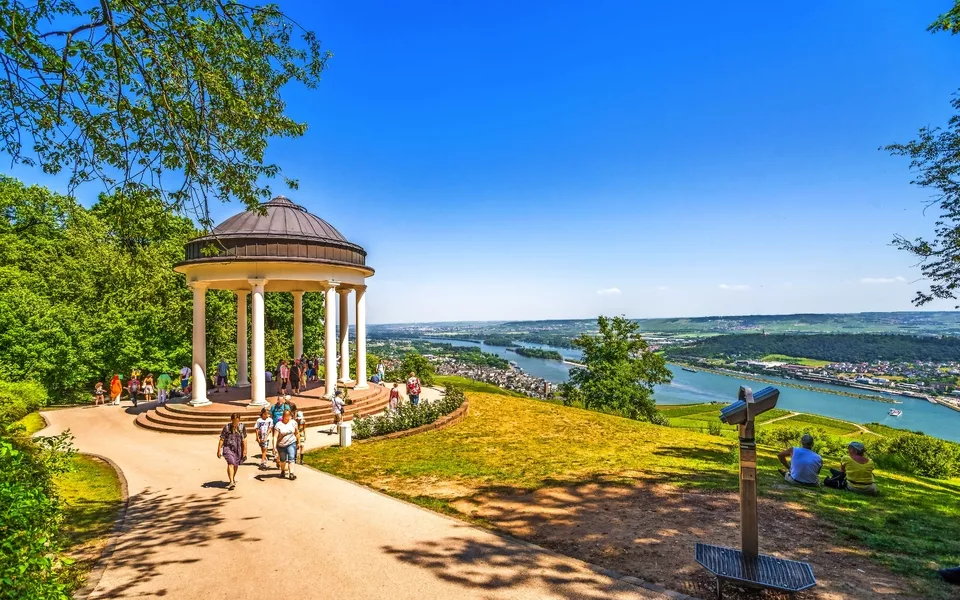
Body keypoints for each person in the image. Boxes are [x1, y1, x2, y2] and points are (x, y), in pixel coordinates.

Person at [216, 413, 247, 490]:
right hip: (228, 447)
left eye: (237, 421)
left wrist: (245, 450)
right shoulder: (227, 427)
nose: (236, 423)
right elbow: (222, 439)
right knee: (231, 463)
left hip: (238, 448)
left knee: (235, 464)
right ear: (232, 420)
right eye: (234, 421)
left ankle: (232, 479)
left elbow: (244, 439)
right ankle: (231, 481)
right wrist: (219, 450)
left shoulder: (242, 427)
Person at [274, 410, 299, 480]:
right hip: (281, 445)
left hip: (291, 442)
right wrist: (274, 447)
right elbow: (275, 436)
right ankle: (282, 471)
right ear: (283, 416)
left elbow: (297, 433)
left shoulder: (293, 423)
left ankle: (291, 474)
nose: (287, 417)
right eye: (286, 416)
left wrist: (298, 442)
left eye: (288, 416)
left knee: (291, 458)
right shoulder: (278, 424)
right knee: (283, 460)